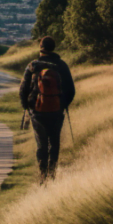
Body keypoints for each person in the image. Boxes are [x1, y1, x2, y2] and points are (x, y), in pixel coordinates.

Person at [19, 36, 75, 183]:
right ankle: (52, 173)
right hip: (56, 111)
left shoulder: (32, 66)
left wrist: (27, 106)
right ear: (53, 48)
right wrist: (61, 104)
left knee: (41, 144)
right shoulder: (61, 65)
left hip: (37, 112)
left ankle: (42, 175)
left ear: (41, 48)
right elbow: (71, 90)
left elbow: (23, 89)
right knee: (54, 143)